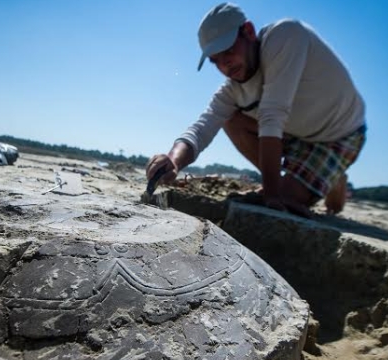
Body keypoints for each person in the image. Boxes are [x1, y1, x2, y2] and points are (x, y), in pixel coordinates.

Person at [146, 2, 366, 216]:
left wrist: (273, 194)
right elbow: (202, 127)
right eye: (216, 61)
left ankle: (334, 179)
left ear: (249, 31)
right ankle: (298, 179)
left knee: (288, 199)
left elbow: (272, 114)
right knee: (231, 119)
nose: (225, 65)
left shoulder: (285, 35)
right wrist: (173, 160)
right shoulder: (231, 91)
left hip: (338, 134)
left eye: (229, 50)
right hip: (292, 131)